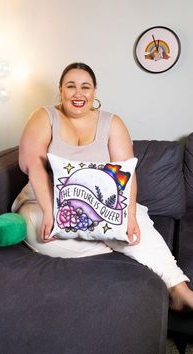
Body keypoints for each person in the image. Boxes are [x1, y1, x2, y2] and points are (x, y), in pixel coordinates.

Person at [12, 62, 193, 311]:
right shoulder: (43, 116)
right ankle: (118, 244)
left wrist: (128, 217)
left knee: (137, 220)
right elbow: (32, 164)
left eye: (85, 87)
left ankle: (179, 290)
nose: (78, 94)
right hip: (45, 197)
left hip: (99, 202)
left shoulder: (112, 122)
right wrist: (50, 211)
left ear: (94, 91)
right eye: (71, 86)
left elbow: (125, 174)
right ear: (60, 90)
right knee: (36, 230)